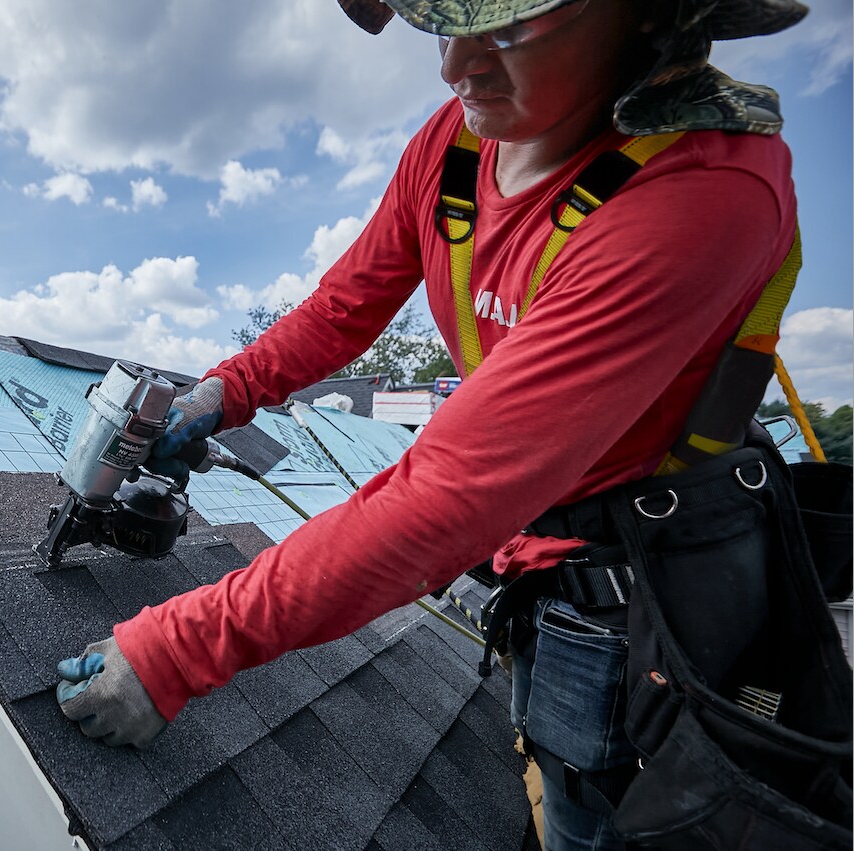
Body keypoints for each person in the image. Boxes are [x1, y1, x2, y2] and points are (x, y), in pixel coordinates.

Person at [54, 0, 810, 848]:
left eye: (510, 30)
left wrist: (174, 649)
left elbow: (449, 495)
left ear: (642, 16)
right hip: (536, 555)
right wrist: (223, 392)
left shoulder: (704, 187)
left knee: (595, 822)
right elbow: (346, 306)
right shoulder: (454, 141)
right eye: (443, 23)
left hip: (639, 592)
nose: (456, 67)